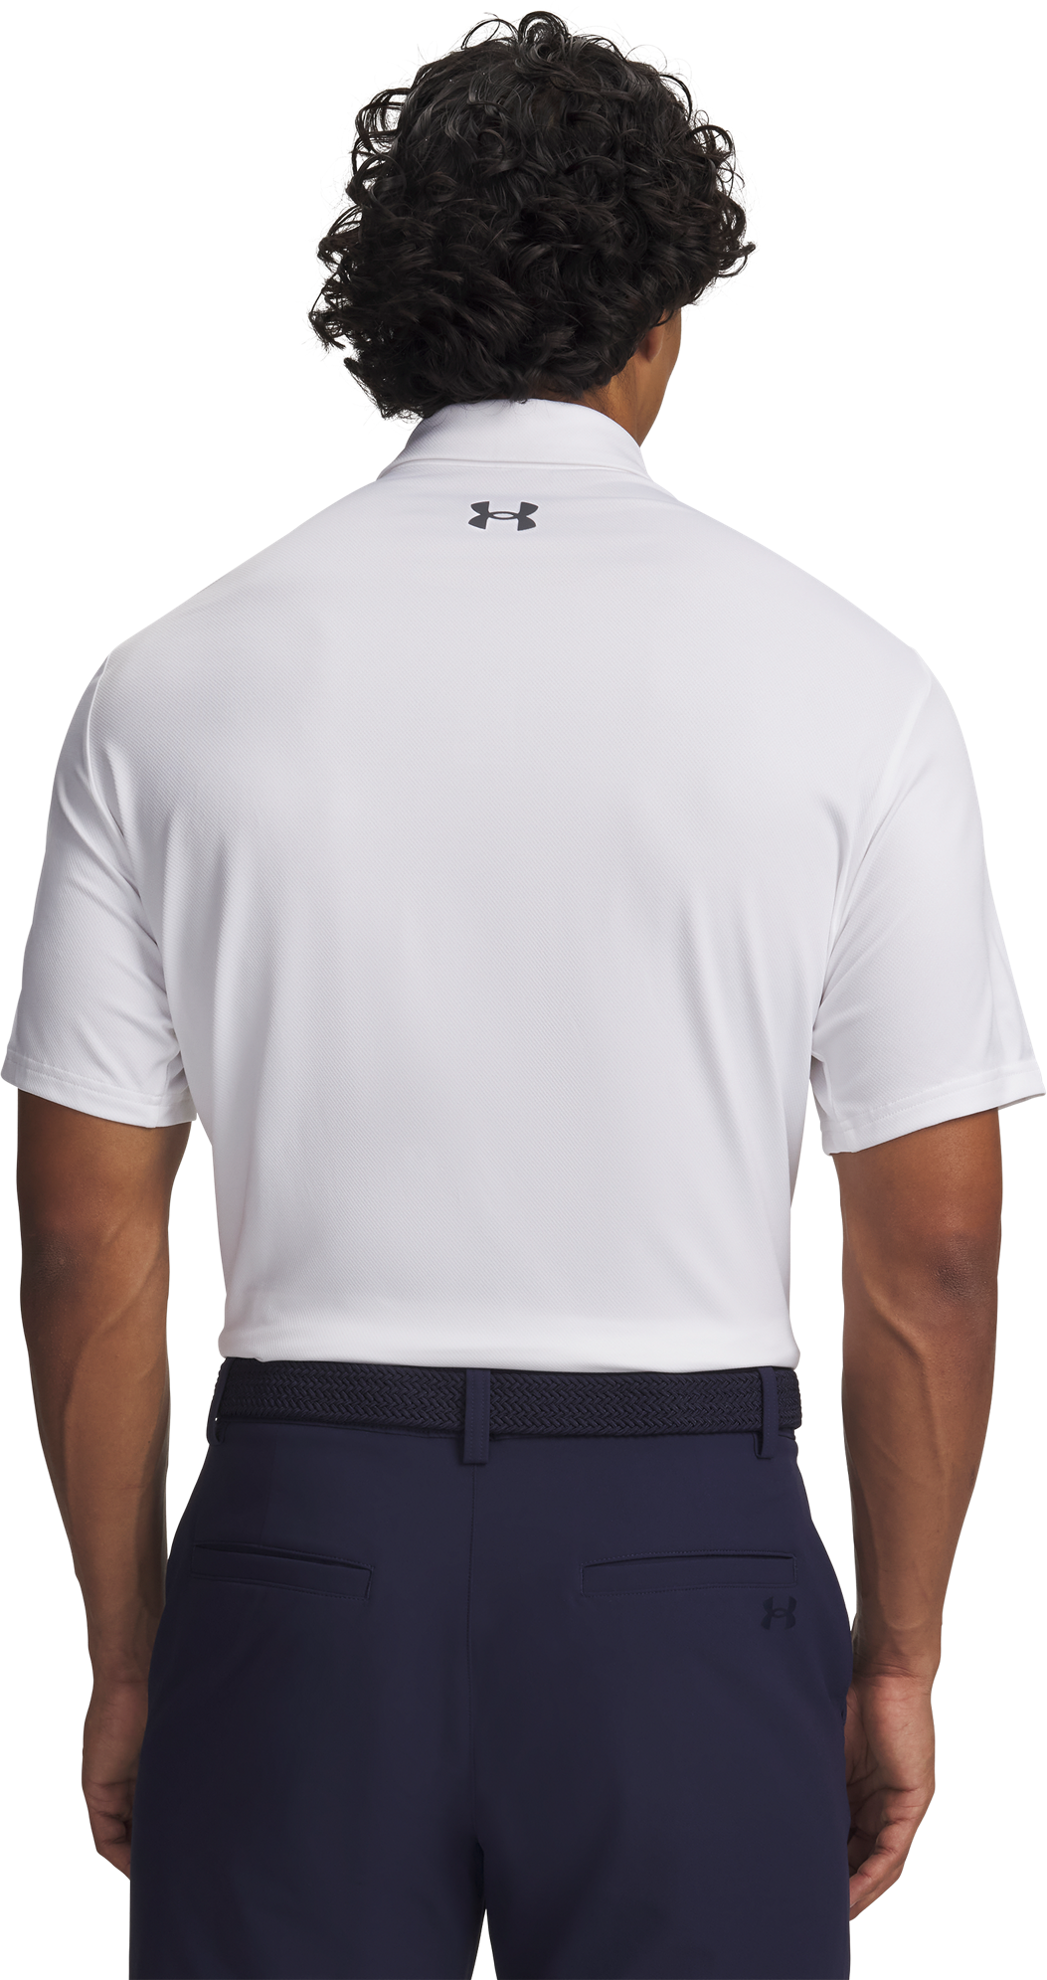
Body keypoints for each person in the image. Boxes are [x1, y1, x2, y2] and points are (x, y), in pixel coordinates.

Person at [6, 11, 1041, 1979]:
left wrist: (131, 1652)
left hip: (300, 1550)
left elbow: (83, 1236)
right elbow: (934, 1258)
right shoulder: (852, 688)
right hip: (687, 1555)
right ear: (661, 323)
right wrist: (898, 1656)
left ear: (390, 318)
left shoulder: (164, 688)